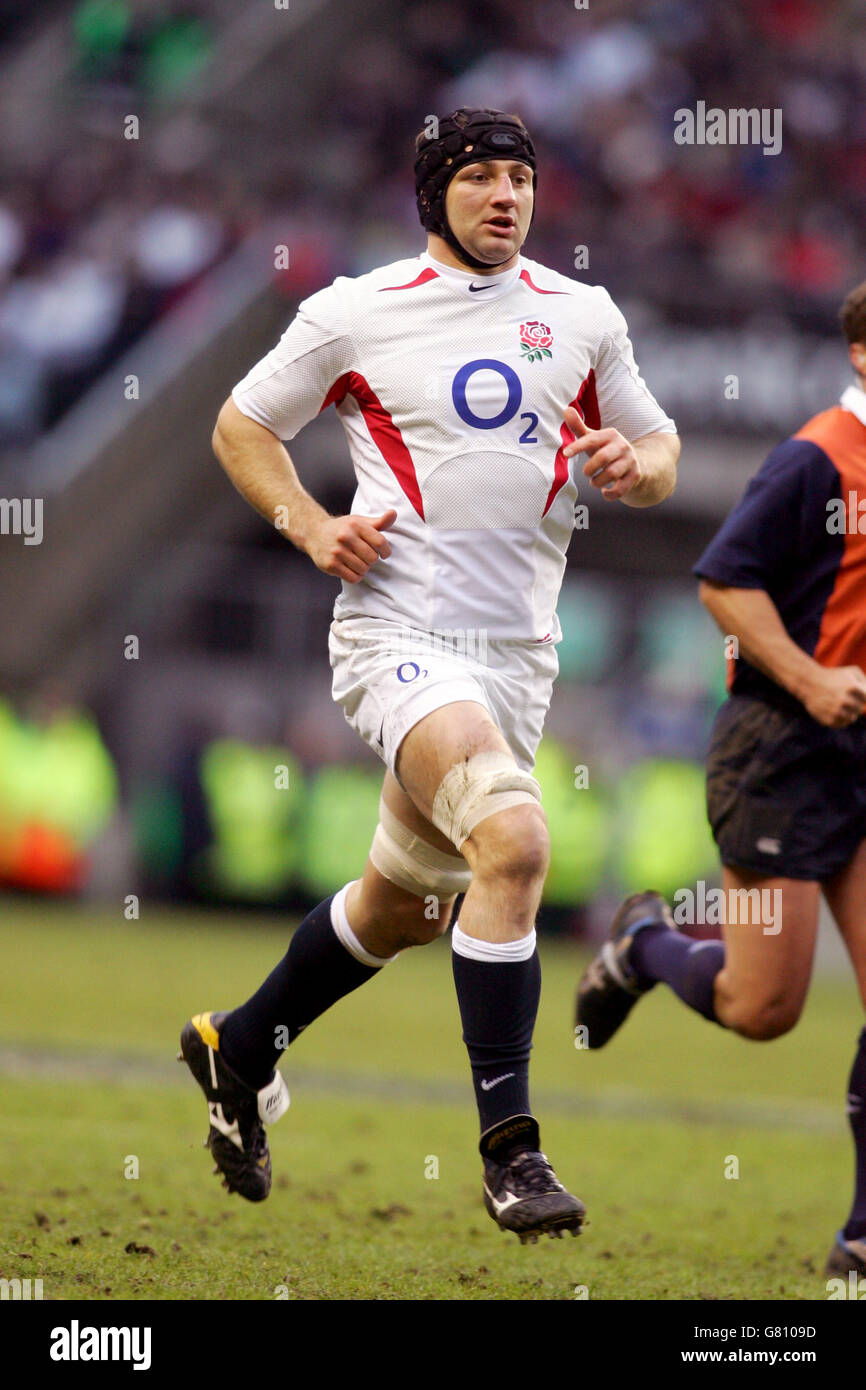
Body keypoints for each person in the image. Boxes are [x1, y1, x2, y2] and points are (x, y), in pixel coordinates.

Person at [179, 107, 679, 1243]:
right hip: (397, 636)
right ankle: (513, 1152)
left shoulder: (581, 316)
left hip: (517, 660)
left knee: (402, 909)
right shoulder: (355, 311)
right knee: (514, 844)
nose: (505, 196)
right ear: (433, 194)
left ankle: (239, 1043)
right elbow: (241, 424)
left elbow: (658, 454)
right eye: (480, 178)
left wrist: (630, 464)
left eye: (520, 178)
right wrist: (308, 526)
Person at [576, 280, 866, 1276]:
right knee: (762, 1009)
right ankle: (644, 943)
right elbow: (721, 581)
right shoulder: (813, 456)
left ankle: (860, 1237)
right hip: (782, 747)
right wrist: (808, 677)